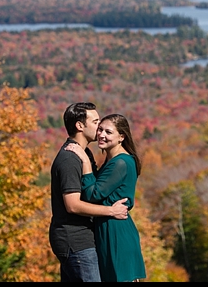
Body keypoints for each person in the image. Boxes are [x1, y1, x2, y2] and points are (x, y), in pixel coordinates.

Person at [50, 102, 131, 282]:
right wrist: (111, 211)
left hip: (82, 238)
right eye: (95, 122)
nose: (99, 127)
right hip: (75, 240)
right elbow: (72, 205)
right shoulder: (70, 158)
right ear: (80, 126)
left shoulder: (84, 153)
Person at [66, 113, 147, 282]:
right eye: (100, 129)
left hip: (116, 232)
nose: (101, 134)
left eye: (108, 132)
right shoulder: (112, 161)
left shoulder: (121, 162)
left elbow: (91, 195)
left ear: (121, 137)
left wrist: (86, 164)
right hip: (108, 228)